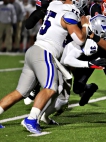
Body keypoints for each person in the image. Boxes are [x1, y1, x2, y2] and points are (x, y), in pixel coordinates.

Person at [0, 0, 90, 134]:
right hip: (45, 52)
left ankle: (41, 116)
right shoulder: (69, 14)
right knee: (51, 88)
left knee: (20, 92)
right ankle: (31, 119)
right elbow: (80, 39)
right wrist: (85, 25)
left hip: (33, 50)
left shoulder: (54, 4)